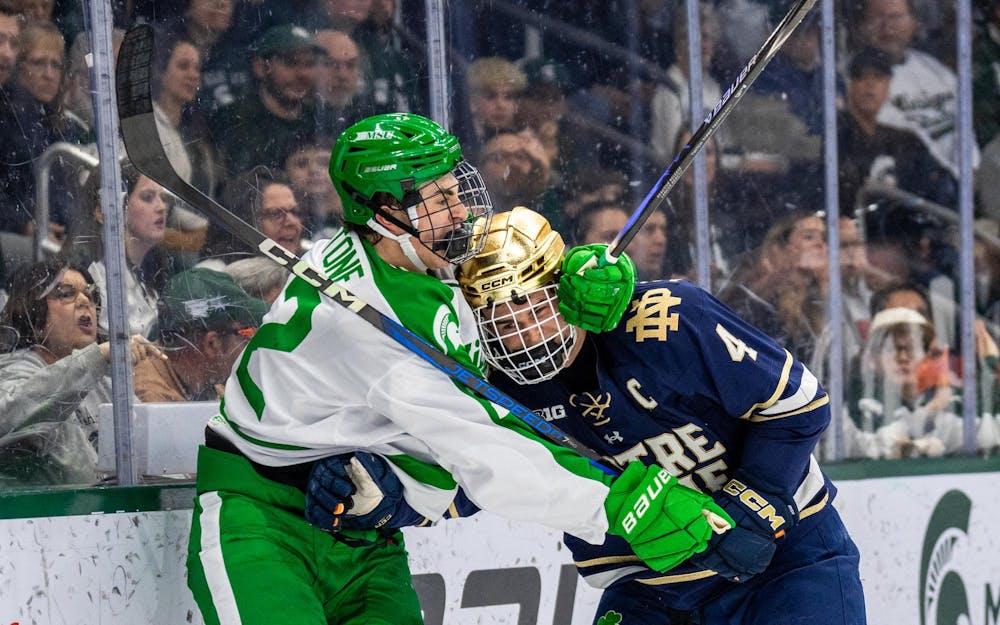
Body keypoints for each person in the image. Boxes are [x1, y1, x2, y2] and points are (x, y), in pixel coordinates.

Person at [185, 113, 728, 625]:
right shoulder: (369, 330)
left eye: (456, 189)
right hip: (262, 520)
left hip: (362, 530)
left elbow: (498, 270)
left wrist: (569, 275)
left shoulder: (401, 253)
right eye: (441, 198)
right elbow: (489, 456)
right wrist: (616, 506)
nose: (463, 210)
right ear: (384, 212)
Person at [307, 206, 865, 624]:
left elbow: (799, 404)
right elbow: (472, 485)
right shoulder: (485, 389)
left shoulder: (664, 319)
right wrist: (386, 499)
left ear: (563, 289)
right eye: (496, 316)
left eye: (531, 302)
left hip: (788, 561)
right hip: (650, 590)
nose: (521, 330)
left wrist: (757, 500)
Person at [0, 259, 164, 486]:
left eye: (91, 294)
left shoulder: (103, 381)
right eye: (66, 293)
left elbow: (154, 449)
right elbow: (8, 418)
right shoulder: (13, 370)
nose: (85, 301)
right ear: (32, 312)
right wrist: (97, 358)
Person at [855, 0, 979, 179]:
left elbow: (963, 130)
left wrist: (969, 176)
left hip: (959, 191)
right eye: (877, 17)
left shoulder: (937, 71)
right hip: (902, 193)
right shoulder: (852, 81)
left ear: (914, 24)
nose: (887, 26)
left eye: (895, 17)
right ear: (862, 26)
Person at [64, 160, 171, 338]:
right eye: (147, 197)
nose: (161, 207)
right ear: (103, 212)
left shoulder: (155, 267)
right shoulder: (89, 276)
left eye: (162, 198)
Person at [134, 268, 266, 403]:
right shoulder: (153, 401)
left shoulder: (205, 385)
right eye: (247, 333)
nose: (253, 345)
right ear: (212, 344)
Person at [209, 24, 327, 173]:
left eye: (310, 64)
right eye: (291, 63)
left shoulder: (319, 120)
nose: (302, 73)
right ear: (260, 67)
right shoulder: (234, 119)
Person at [198, 166, 305, 269]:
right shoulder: (212, 277)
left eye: (295, 212)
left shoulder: (310, 270)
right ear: (244, 222)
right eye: (276, 213)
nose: (292, 222)